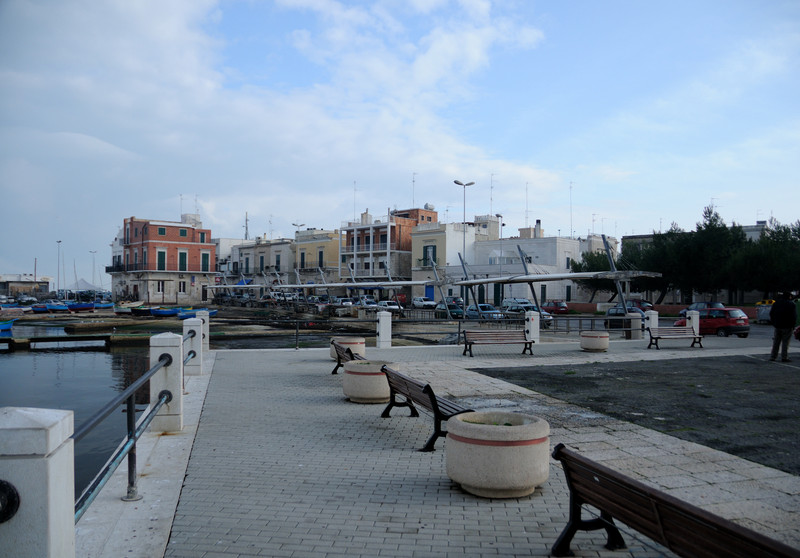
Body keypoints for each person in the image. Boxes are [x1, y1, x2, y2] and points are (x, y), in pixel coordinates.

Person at [769, 292, 797, 362]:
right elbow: (794, 316)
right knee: (785, 342)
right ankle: (784, 357)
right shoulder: (791, 304)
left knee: (776, 342)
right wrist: (793, 325)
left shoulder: (776, 303)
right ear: (789, 297)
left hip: (778, 325)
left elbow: (771, 313)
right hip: (787, 326)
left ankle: (773, 356)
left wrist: (774, 322)